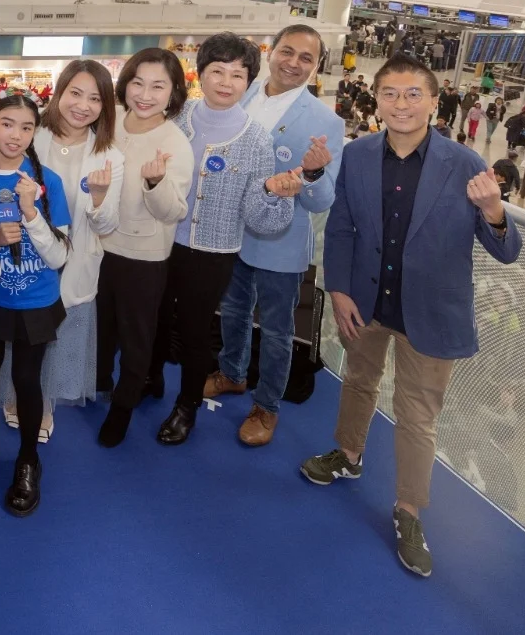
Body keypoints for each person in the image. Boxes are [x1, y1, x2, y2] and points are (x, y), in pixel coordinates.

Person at [301, 54, 522, 578]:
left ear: (434, 102)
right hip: (367, 301)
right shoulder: (358, 155)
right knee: (358, 381)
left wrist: (494, 211)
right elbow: (342, 227)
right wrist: (339, 289)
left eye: (413, 94)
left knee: (417, 415)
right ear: (377, 100)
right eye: (391, 93)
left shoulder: (464, 163)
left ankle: (408, 509)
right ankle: (349, 454)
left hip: (430, 311)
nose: (401, 104)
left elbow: (507, 251)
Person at [151, 33, 300, 447]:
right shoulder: (174, 119)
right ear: (200, 73)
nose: (226, 82)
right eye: (217, 71)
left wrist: (274, 194)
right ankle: (149, 378)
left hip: (212, 252)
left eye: (238, 75)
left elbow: (258, 218)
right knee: (156, 316)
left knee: (196, 330)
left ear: (249, 81)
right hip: (160, 240)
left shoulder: (256, 140)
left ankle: (186, 407)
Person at [209, 25, 342, 447]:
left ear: (316, 66)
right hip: (231, 232)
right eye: (287, 51)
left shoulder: (326, 121)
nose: (293, 63)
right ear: (271, 52)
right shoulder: (239, 93)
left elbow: (322, 201)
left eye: (306, 58)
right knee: (232, 312)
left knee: (277, 330)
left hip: (282, 242)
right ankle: (231, 373)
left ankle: (266, 405)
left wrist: (314, 173)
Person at [0, 88, 70, 515]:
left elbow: (59, 256)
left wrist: (31, 214)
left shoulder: (47, 182)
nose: (16, 135)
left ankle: (28, 457)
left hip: (35, 299)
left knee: (26, 379)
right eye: (7, 124)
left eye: (26, 127)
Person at [95, 48, 194, 447]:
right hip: (100, 245)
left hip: (143, 255)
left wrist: (155, 184)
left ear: (173, 93)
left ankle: (123, 406)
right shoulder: (111, 120)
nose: (145, 94)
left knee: (136, 336)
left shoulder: (174, 142)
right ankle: (101, 383)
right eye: (138, 83)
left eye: (158, 86)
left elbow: (174, 211)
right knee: (102, 328)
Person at [24, 60, 123, 432]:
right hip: (27, 256)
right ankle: (19, 393)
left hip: (75, 260)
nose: (83, 106)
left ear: (105, 105)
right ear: (59, 93)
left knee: (59, 334)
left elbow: (106, 225)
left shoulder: (110, 156)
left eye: (94, 99)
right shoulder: (32, 137)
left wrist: (98, 197)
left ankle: (44, 402)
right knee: (24, 333)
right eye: (75, 93)